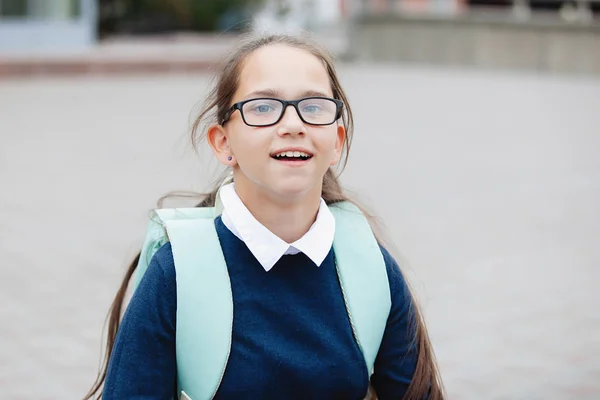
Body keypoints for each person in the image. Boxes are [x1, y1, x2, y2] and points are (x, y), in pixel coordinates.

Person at [85, 34, 445, 400]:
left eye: (314, 106)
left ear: (337, 140)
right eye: (262, 107)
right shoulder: (176, 273)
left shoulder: (369, 268)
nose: (293, 124)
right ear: (222, 142)